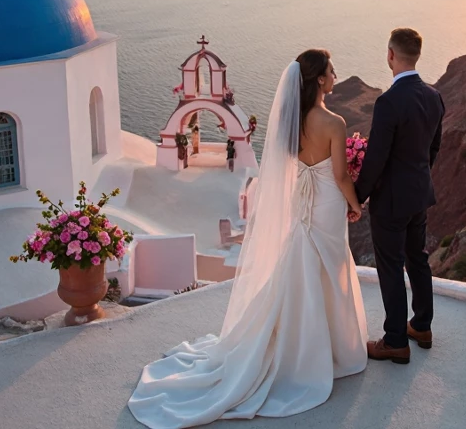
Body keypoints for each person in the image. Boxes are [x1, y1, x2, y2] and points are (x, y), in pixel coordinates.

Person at [128, 50, 366, 429]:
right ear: (320, 79)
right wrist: (356, 204)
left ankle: (295, 341)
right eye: (332, 71)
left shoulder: (291, 120)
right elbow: (339, 176)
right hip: (326, 203)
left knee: (300, 261)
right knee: (331, 267)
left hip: (302, 200)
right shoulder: (334, 123)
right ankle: (334, 347)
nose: (336, 75)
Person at [355, 28, 445, 364]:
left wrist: (357, 196)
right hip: (419, 194)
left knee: (391, 266)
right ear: (417, 55)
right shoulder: (434, 96)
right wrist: (417, 179)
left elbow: (376, 159)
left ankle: (394, 340)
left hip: (391, 201)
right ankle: (421, 326)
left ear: (390, 55)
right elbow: (433, 148)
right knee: (417, 258)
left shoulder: (389, 101)